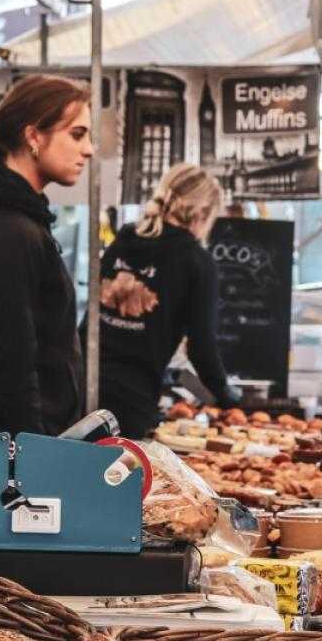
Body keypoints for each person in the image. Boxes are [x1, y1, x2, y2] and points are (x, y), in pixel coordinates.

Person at [0, 74, 93, 495]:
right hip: (10, 449)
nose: (88, 149)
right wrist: (36, 458)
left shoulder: (9, 219)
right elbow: (9, 359)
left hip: (11, 441)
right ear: (33, 136)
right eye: (76, 133)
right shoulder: (8, 230)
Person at [96, 163, 239, 439]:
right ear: (203, 213)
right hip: (131, 401)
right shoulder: (196, 262)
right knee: (118, 478)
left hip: (82, 385)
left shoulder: (123, 240)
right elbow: (201, 348)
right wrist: (227, 398)